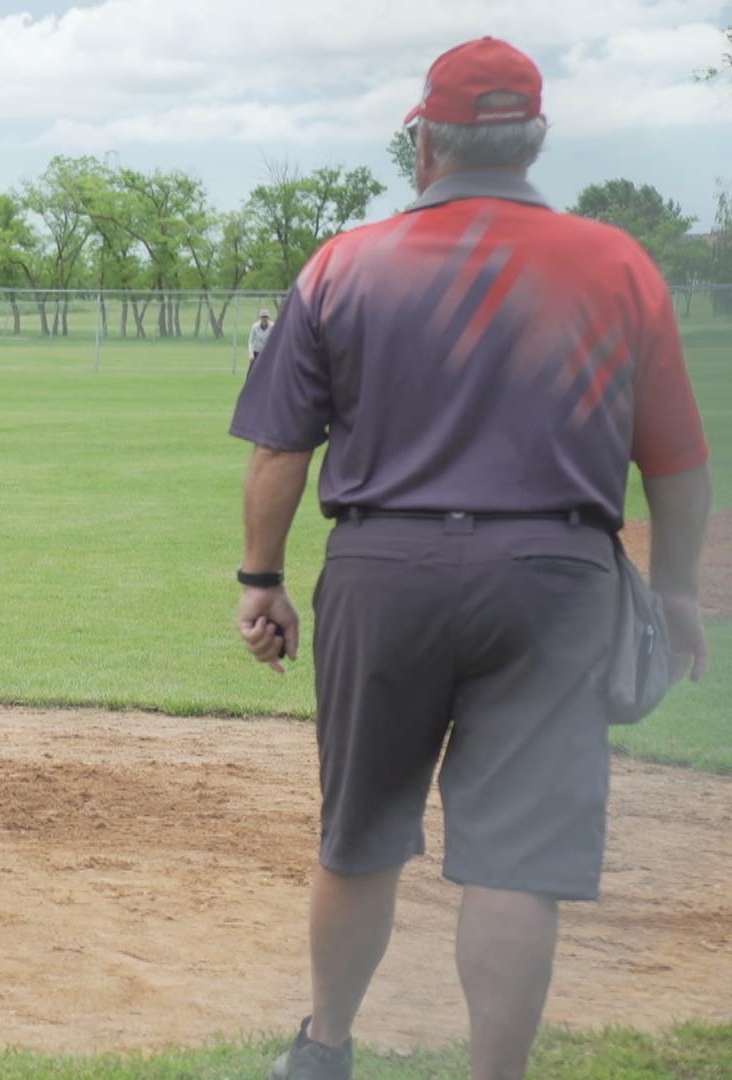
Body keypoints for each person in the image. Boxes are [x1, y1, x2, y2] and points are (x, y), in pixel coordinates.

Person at [230, 38, 711, 1080]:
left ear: (425, 147)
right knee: (516, 864)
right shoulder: (618, 263)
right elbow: (676, 463)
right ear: (535, 141)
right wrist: (675, 594)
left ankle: (325, 1049)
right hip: (555, 582)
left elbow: (280, 453)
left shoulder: (342, 264)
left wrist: (261, 581)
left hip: (385, 571)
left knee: (359, 835)